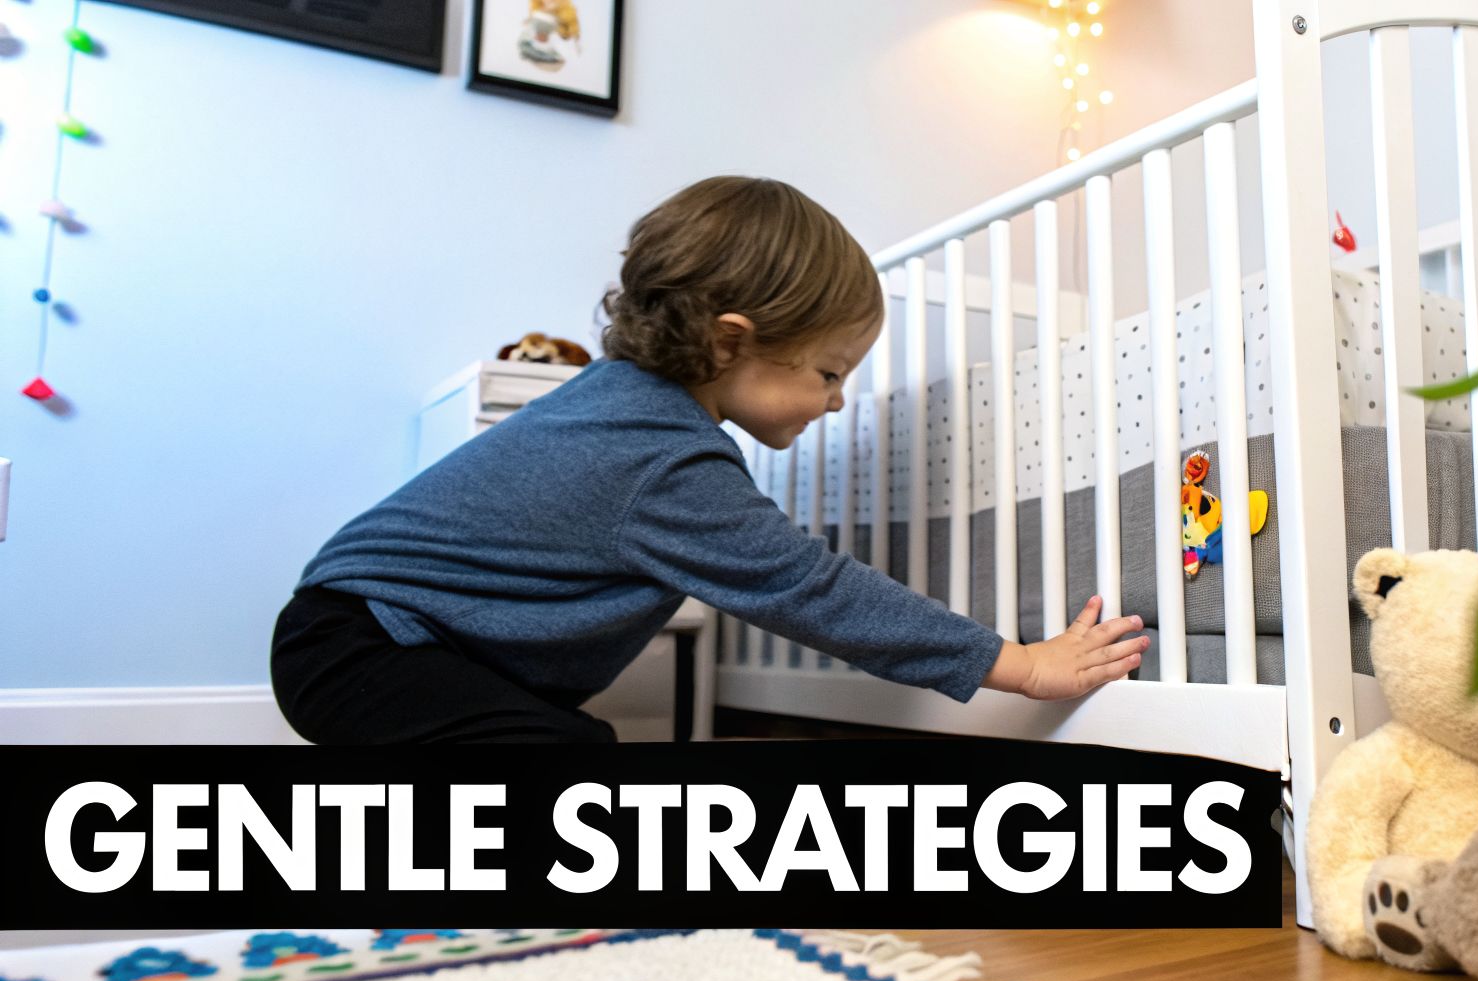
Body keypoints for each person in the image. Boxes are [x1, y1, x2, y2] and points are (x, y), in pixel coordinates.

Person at [270, 176, 1148, 744]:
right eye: (828, 372)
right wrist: (1022, 664)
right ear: (733, 342)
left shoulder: (627, 408)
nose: (837, 399)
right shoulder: (660, 457)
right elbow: (812, 590)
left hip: (378, 635)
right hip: (368, 642)